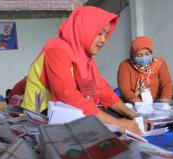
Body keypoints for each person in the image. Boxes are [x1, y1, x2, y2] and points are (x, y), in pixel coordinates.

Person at [20, 6, 141, 134]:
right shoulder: (57, 50)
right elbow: (67, 96)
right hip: (41, 115)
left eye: (106, 34)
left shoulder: (86, 59)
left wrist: (133, 116)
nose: (103, 40)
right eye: (99, 33)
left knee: (116, 120)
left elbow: (102, 90)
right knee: (110, 129)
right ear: (84, 29)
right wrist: (117, 124)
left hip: (66, 111)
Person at [118, 36, 172, 103]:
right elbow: (124, 88)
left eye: (147, 54)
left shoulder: (159, 63)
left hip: (157, 103)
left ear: (151, 53)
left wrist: (163, 101)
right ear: (132, 54)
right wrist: (140, 104)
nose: (143, 57)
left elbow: (166, 84)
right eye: (139, 55)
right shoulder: (125, 65)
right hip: (134, 104)